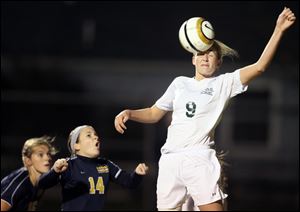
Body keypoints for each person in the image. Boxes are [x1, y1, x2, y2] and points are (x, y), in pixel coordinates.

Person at [114, 7, 296, 211]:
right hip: (170, 160)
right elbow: (154, 113)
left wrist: (279, 29)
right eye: (201, 53)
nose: (205, 57)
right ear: (193, 59)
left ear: (218, 63)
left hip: (198, 158)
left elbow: (260, 66)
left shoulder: (223, 83)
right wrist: (129, 112)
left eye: (211, 54)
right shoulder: (179, 83)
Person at [37, 125, 149, 211]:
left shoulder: (105, 164)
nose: (95, 137)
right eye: (89, 135)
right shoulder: (68, 165)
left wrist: (137, 174)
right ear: (76, 146)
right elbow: (42, 184)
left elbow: (129, 182)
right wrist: (55, 171)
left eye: (95, 134)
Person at [1, 136, 57, 211]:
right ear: (28, 160)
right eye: (40, 154)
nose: (48, 158)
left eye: (49, 154)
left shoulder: (39, 183)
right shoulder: (19, 182)